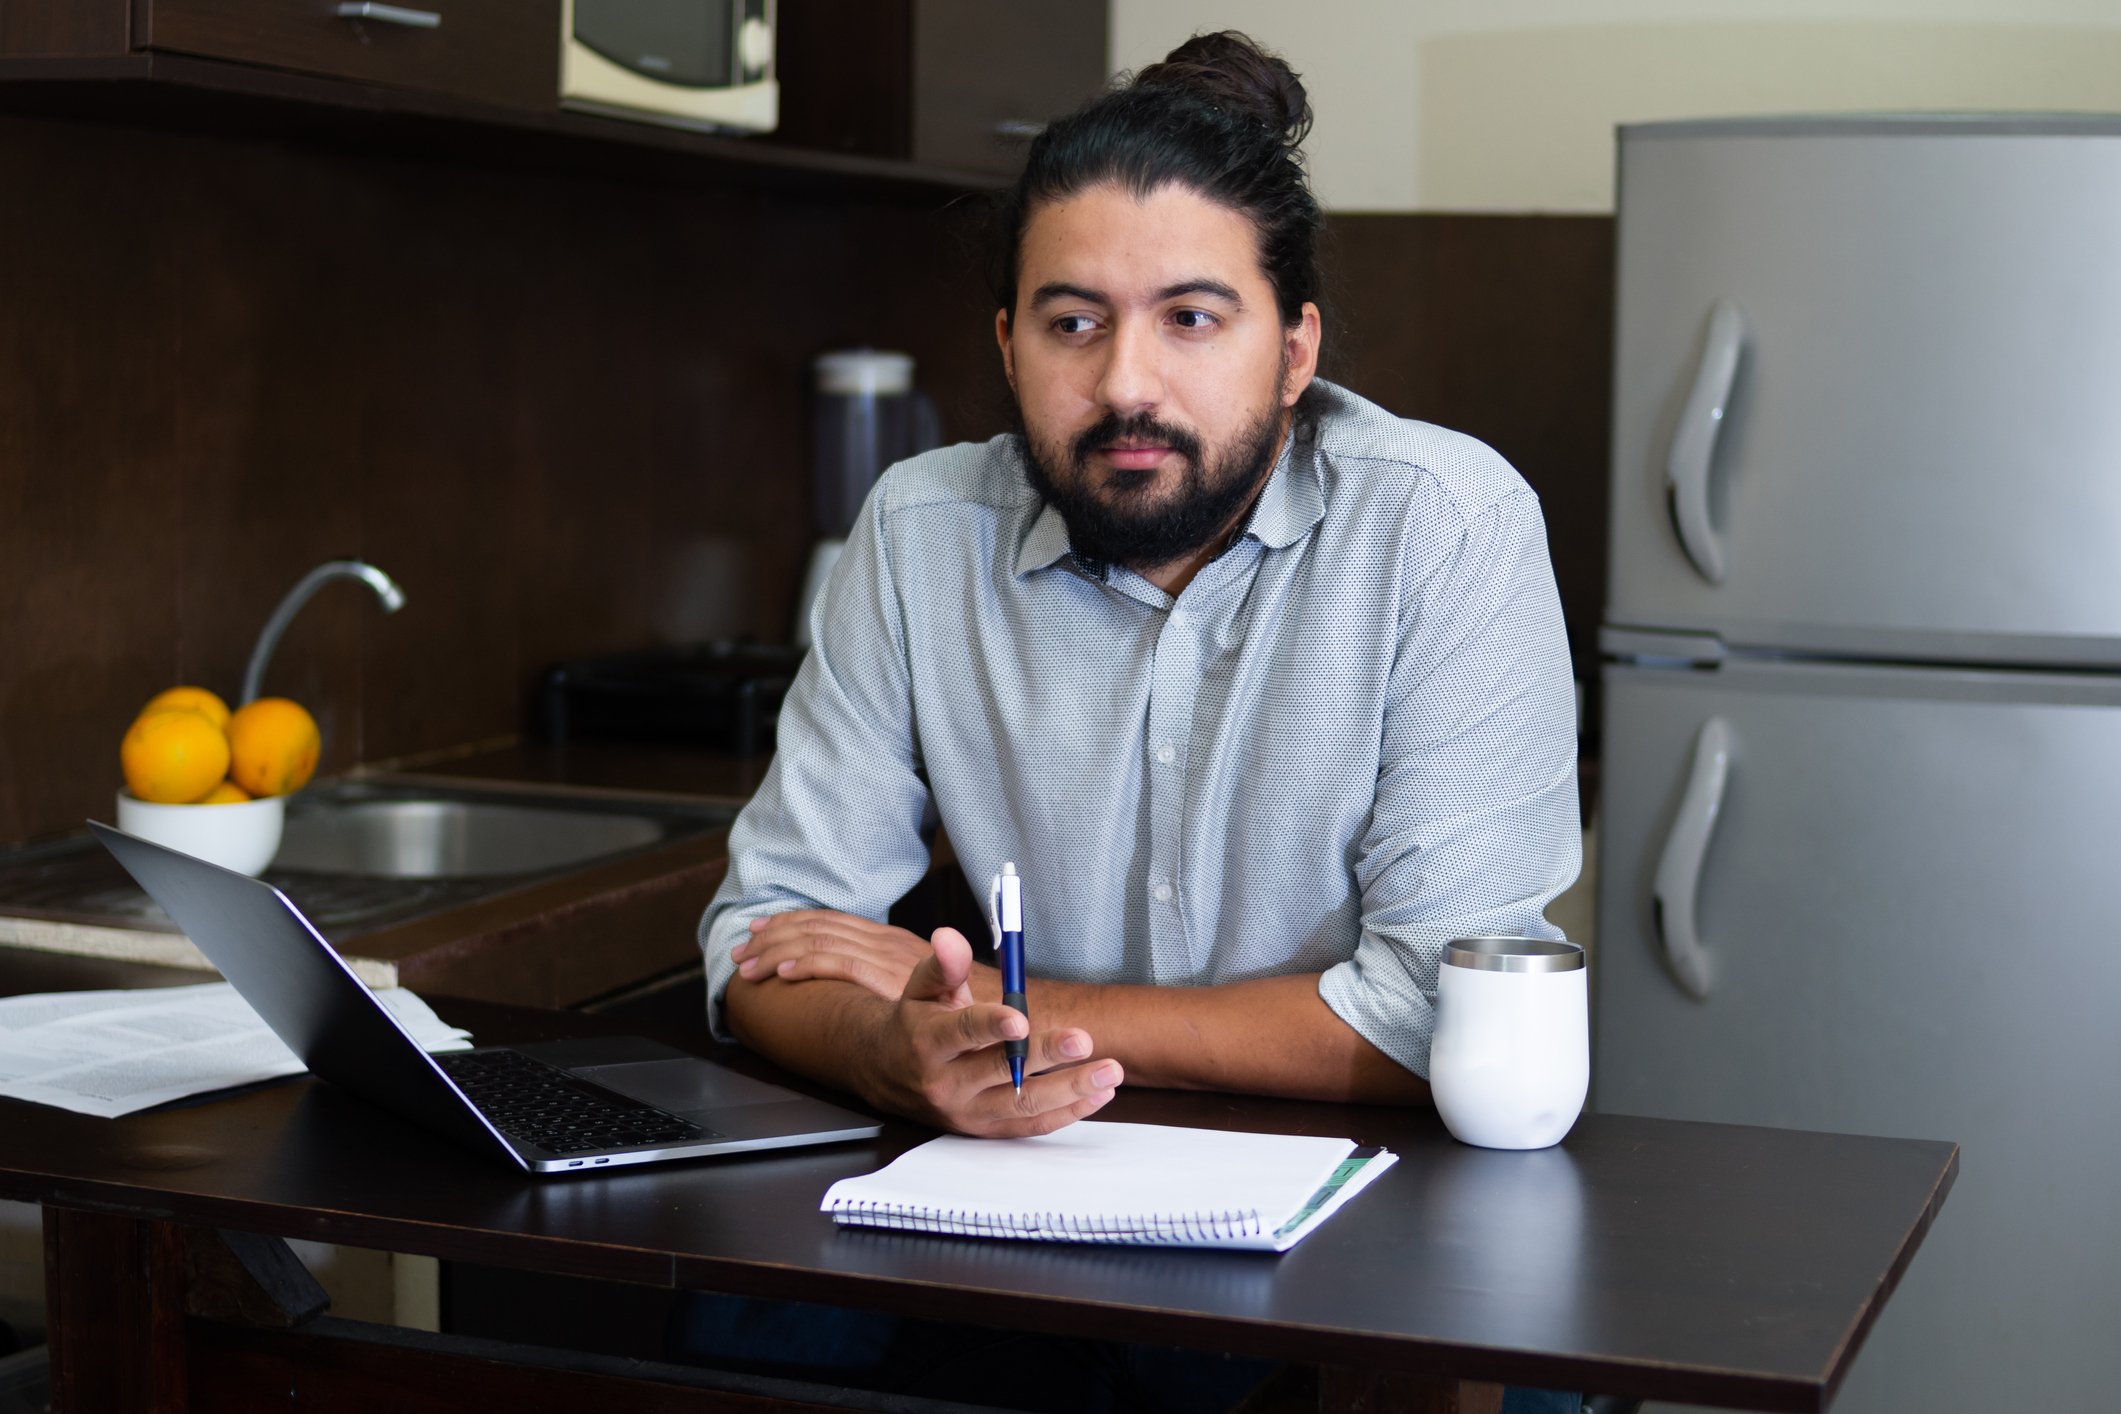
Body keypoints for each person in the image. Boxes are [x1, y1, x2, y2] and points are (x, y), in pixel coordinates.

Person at [682, 30, 1583, 1414]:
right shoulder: (922, 531)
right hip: (1011, 1203)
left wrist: (1001, 1007)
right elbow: (764, 940)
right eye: (1072, 320)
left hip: (1365, 1228)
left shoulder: (1444, 525)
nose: (1122, 386)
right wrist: (895, 1049)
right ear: (1005, 341)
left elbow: (1431, 1021)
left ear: (1294, 349)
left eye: (1191, 317)